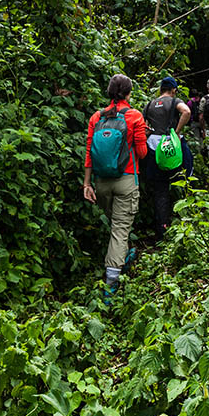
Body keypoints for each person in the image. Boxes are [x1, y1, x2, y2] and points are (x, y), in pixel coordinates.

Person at [83, 73, 148, 290]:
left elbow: (89, 152)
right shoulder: (135, 116)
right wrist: (143, 137)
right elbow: (142, 152)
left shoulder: (97, 117)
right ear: (129, 93)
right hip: (126, 180)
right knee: (120, 229)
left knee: (116, 226)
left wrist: (87, 184)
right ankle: (111, 283)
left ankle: (123, 256)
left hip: (101, 183)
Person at [143, 76, 192, 237]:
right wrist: (176, 131)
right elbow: (186, 111)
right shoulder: (174, 101)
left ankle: (162, 228)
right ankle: (186, 222)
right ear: (173, 90)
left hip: (154, 148)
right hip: (173, 146)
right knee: (186, 179)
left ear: (160, 90)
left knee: (160, 190)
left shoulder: (150, 105)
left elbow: (143, 126)